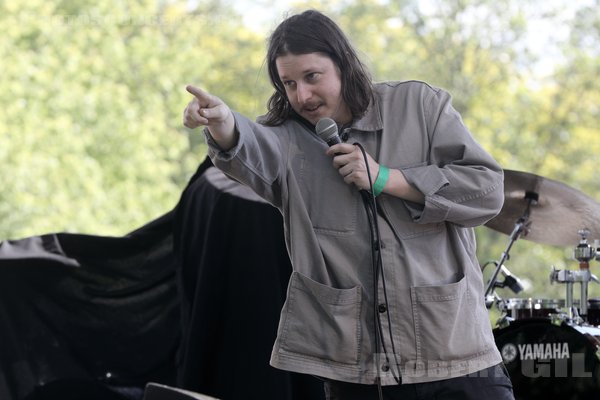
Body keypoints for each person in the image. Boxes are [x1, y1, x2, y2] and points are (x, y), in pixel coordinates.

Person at [182, 9, 514, 400]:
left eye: (311, 77)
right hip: (357, 373)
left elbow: (487, 190)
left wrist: (389, 179)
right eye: (288, 83)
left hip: (455, 356)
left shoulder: (420, 105)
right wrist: (221, 124)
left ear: (342, 63)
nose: (301, 95)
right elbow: (250, 142)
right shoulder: (286, 141)